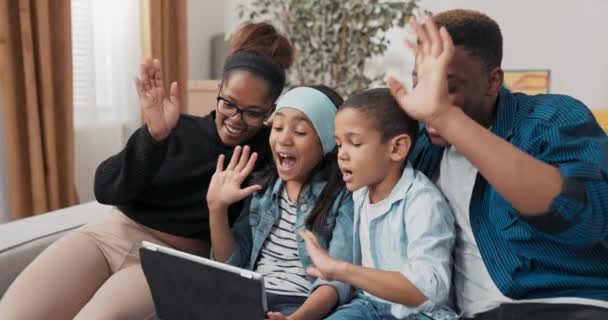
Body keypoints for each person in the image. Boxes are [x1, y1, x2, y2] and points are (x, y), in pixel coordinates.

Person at [0, 22, 293, 320]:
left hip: (170, 261)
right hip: (110, 236)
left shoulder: (272, 158)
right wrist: (153, 136)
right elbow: (105, 189)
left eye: (253, 112)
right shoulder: (175, 127)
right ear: (219, 90)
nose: (236, 119)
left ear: (271, 111)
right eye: (228, 103)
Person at [384, 9, 608, 320]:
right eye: (421, 82)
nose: (429, 99)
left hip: (567, 305)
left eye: (448, 86)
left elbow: (585, 219)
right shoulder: (420, 145)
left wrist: (447, 118)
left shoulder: (550, 120)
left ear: (492, 82)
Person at [299, 88, 457, 320]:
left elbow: (427, 292)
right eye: (339, 144)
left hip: (421, 314)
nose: (341, 155)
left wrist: (340, 269)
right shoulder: (360, 193)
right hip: (370, 305)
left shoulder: (423, 202)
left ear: (396, 148)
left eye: (354, 143)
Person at [207, 86, 354, 319]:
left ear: (326, 142)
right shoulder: (262, 191)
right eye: (278, 127)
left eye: (300, 131)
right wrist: (217, 208)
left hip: (300, 306)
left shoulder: (342, 198)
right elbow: (231, 263)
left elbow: (337, 282)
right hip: (250, 300)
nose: (284, 139)